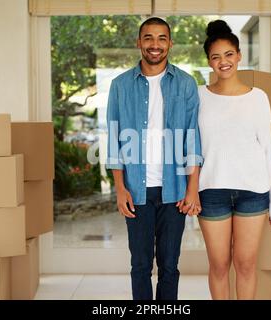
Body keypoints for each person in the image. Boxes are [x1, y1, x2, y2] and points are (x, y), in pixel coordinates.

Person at [105, 17, 203, 300]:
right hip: (136, 190)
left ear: (170, 43)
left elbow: (192, 137)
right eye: (148, 38)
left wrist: (192, 187)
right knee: (140, 266)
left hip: (174, 190)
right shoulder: (120, 85)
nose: (155, 45)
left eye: (162, 38)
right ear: (139, 43)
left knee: (170, 265)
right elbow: (113, 138)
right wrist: (120, 188)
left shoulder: (185, 84)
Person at [197, 20, 271, 300]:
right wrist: (190, 189)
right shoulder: (198, 97)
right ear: (209, 62)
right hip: (211, 192)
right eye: (216, 56)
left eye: (229, 54)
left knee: (245, 265)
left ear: (239, 55)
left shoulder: (258, 98)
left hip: (253, 193)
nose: (223, 62)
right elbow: (190, 148)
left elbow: (268, 149)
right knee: (219, 266)